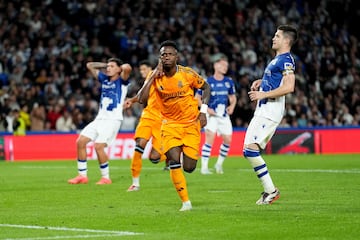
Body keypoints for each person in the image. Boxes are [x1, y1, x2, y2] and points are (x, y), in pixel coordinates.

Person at [137, 40, 211, 211]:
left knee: (190, 167)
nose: (166, 57)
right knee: (174, 161)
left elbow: (206, 87)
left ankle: (183, 167)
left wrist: (204, 111)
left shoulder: (187, 74)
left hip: (191, 124)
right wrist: (153, 76)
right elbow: (141, 99)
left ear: (176, 57)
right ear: (159, 58)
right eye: (163, 54)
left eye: (170, 54)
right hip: (169, 125)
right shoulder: (155, 76)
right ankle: (186, 202)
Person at [243, 24, 298, 204]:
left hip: (270, 110)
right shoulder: (277, 59)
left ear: (286, 40)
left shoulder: (286, 60)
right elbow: (277, 81)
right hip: (264, 109)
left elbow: (289, 86)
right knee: (248, 149)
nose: (273, 38)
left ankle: (271, 191)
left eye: (277, 36)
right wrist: (262, 82)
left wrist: (263, 94)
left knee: (250, 149)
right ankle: (270, 191)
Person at [68, 58, 132, 185]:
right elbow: (89, 65)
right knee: (80, 142)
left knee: (98, 146)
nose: (108, 68)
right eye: (108, 66)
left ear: (119, 69)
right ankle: (82, 176)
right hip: (100, 119)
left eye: (112, 66)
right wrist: (105, 65)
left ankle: (106, 177)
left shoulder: (122, 81)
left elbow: (127, 67)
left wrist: (121, 67)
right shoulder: (104, 79)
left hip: (113, 120)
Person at [124, 60, 168, 192]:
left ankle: (171, 153)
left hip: (162, 121)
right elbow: (142, 94)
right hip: (148, 116)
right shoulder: (152, 76)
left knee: (154, 158)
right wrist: (131, 100)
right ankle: (135, 183)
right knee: (140, 144)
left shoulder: (174, 80)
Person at [195, 53, 237, 175]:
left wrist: (232, 106)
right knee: (210, 138)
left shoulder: (229, 81)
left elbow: (233, 97)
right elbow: (197, 98)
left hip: (223, 115)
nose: (226, 67)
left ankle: (219, 164)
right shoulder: (207, 82)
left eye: (227, 65)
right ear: (216, 65)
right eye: (223, 65)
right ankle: (204, 168)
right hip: (211, 115)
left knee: (228, 140)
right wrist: (207, 110)